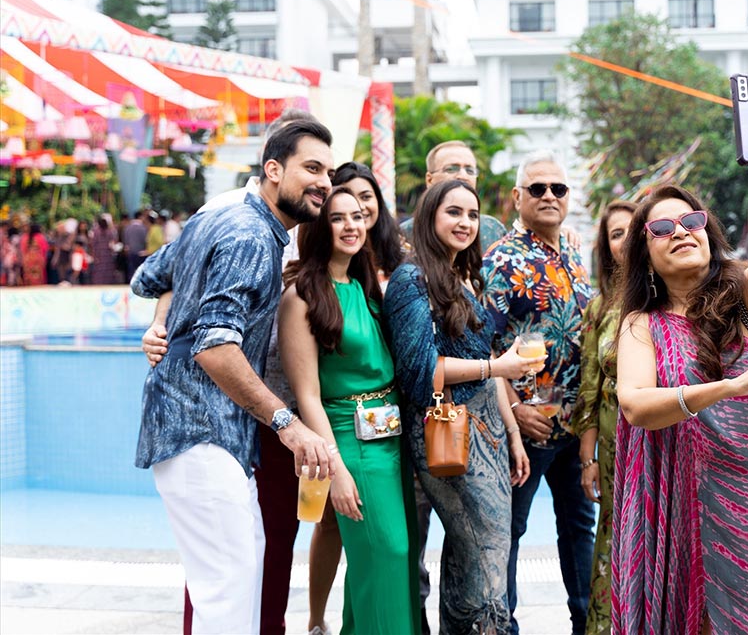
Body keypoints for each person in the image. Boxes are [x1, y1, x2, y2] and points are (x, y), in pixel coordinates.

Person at [130, 119, 338, 634]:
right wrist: (289, 425)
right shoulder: (251, 236)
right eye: (312, 168)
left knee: (236, 585)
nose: (324, 183)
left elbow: (149, 277)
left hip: (201, 432)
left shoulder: (220, 216)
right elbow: (215, 346)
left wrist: (164, 323)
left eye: (329, 173)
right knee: (227, 595)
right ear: (273, 170)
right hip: (202, 431)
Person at [612, 121, 748, 634]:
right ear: (646, 256)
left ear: (708, 232)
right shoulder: (641, 325)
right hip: (685, 506)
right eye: (661, 229)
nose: (680, 231)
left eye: (691, 220)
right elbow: (635, 405)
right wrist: (727, 388)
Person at [385, 178, 536, 633]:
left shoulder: (461, 277)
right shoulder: (411, 279)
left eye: (472, 214)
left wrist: (513, 435)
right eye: (454, 212)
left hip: (489, 430)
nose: (466, 222)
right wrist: (496, 368)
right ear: (429, 216)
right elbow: (419, 371)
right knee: (486, 557)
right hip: (449, 430)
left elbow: (486, 363)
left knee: (471, 556)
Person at [278, 188, 419, 635]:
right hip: (348, 440)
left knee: (385, 562)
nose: (351, 225)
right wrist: (335, 470)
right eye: (338, 218)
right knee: (388, 551)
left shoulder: (364, 286)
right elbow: (308, 397)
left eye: (357, 216)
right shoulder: (301, 296)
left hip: (390, 437)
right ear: (320, 227)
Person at [482, 150, 596, 635]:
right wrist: (513, 409)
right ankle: (503, 627)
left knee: (579, 528)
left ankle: (586, 624)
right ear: (517, 197)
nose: (549, 196)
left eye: (558, 188)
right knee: (508, 532)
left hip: (575, 427)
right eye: (537, 188)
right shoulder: (500, 260)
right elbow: (483, 346)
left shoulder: (573, 254)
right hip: (525, 428)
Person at [570, 199, 636, 635]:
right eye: (616, 234)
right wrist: (588, 459)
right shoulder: (599, 309)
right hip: (615, 442)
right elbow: (590, 388)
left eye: (633, 229)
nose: (626, 240)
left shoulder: (671, 297)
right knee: (615, 532)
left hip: (665, 434)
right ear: (606, 247)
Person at [400, 141, 508, 251]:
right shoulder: (405, 235)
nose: (463, 176)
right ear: (429, 180)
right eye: (451, 169)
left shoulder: (492, 231)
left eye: (470, 170)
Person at [90, 215, 121, 285]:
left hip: (99, 254)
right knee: (108, 270)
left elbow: (93, 244)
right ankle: (107, 282)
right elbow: (113, 242)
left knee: (99, 270)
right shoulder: (110, 232)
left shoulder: (96, 232)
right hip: (107, 254)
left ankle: (99, 282)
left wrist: (93, 255)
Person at [122, 211, 147, 280]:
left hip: (131, 252)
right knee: (140, 270)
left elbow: (125, 240)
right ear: (140, 217)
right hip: (141, 252)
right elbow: (145, 240)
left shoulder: (128, 227)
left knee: (131, 270)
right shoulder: (143, 227)